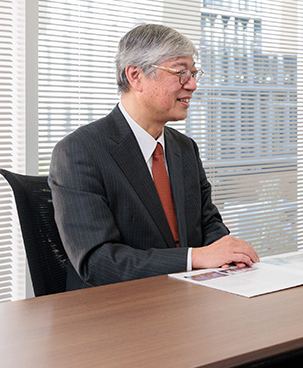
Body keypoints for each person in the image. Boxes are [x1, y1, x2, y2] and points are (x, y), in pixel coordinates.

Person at [49, 24, 259, 287]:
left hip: (190, 298)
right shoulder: (79, 151)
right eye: (181, 72)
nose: (192, 85)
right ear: (136, 76)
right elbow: (98, 261)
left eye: (193, 73)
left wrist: (230, 255)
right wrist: (195, 257)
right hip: (118, 310)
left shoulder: (185, 148)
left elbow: (208, 224)